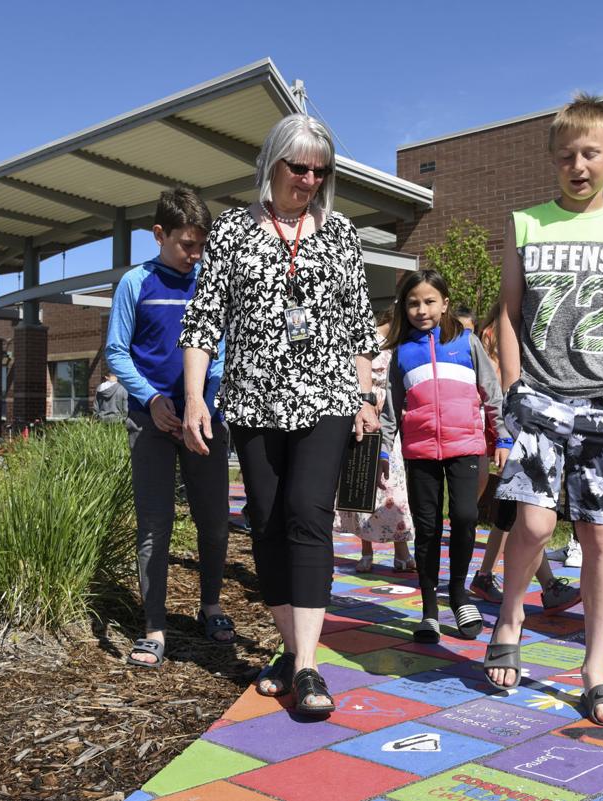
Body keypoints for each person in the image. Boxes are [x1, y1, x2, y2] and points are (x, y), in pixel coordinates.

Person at [179, 113, 379, 717]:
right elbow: (204, 322)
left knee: (307, 514)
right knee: (265, 520)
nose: (310, 180)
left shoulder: (341, 233)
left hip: (327, 397)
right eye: (300, 167)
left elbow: (359, 325)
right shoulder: (234, 230)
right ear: (272, 163)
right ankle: (291, 652)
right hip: (253, 400)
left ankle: (310, 666)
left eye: (321, 170)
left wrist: (366, 396)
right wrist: (195, 398)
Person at [486, 94, 603, 729]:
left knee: (598, 534)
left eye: (590, 154)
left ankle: (596, 668)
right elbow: (508, 312)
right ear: (553, 160)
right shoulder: (525, 223)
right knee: (531, 525)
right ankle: (510, 617)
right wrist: (512, 385)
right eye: (565, 156)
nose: (577, 166)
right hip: (539, 396)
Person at [105, 188, 231, 668]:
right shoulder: (134, 283)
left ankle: (211, 606)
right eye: (186, 245)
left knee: (214, 521)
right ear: (159, 234)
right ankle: (154, 626)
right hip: (151, 421)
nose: (195, 255)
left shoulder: (209, 284)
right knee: (154, 524)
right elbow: (117, 351)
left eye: (201, 245)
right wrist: (153, 400)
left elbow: (221, 352)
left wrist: (205, 406)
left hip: (206, 420)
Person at [379, 269, 511, 644]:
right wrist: (384, 450)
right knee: (428, 528)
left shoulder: (467, 342)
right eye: (413, 303)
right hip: (420, 452)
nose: (421, 310)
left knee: (466, 517)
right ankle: (429, 610)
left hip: (465, 447)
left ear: (445, 303)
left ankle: (458, 595)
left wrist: (502, 436)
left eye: (429, 301)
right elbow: (391, 407)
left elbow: (491, 393)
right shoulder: (402, 352)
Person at [469, 299, 581, 615]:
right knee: (522, 511)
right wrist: (504, 433)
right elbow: (495, 384)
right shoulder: (496, 335)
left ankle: (526, 581)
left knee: (519, 512)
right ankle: (541, 585)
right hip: (515, 425)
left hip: (525, 424)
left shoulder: (515, 331)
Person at [335, 309, 417, 574]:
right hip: (363, 418)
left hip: (389, 425)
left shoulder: (398, 345)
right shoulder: (367, 340)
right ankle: (366, 551)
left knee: (392, 487)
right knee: (363, 486)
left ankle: (401, 552)